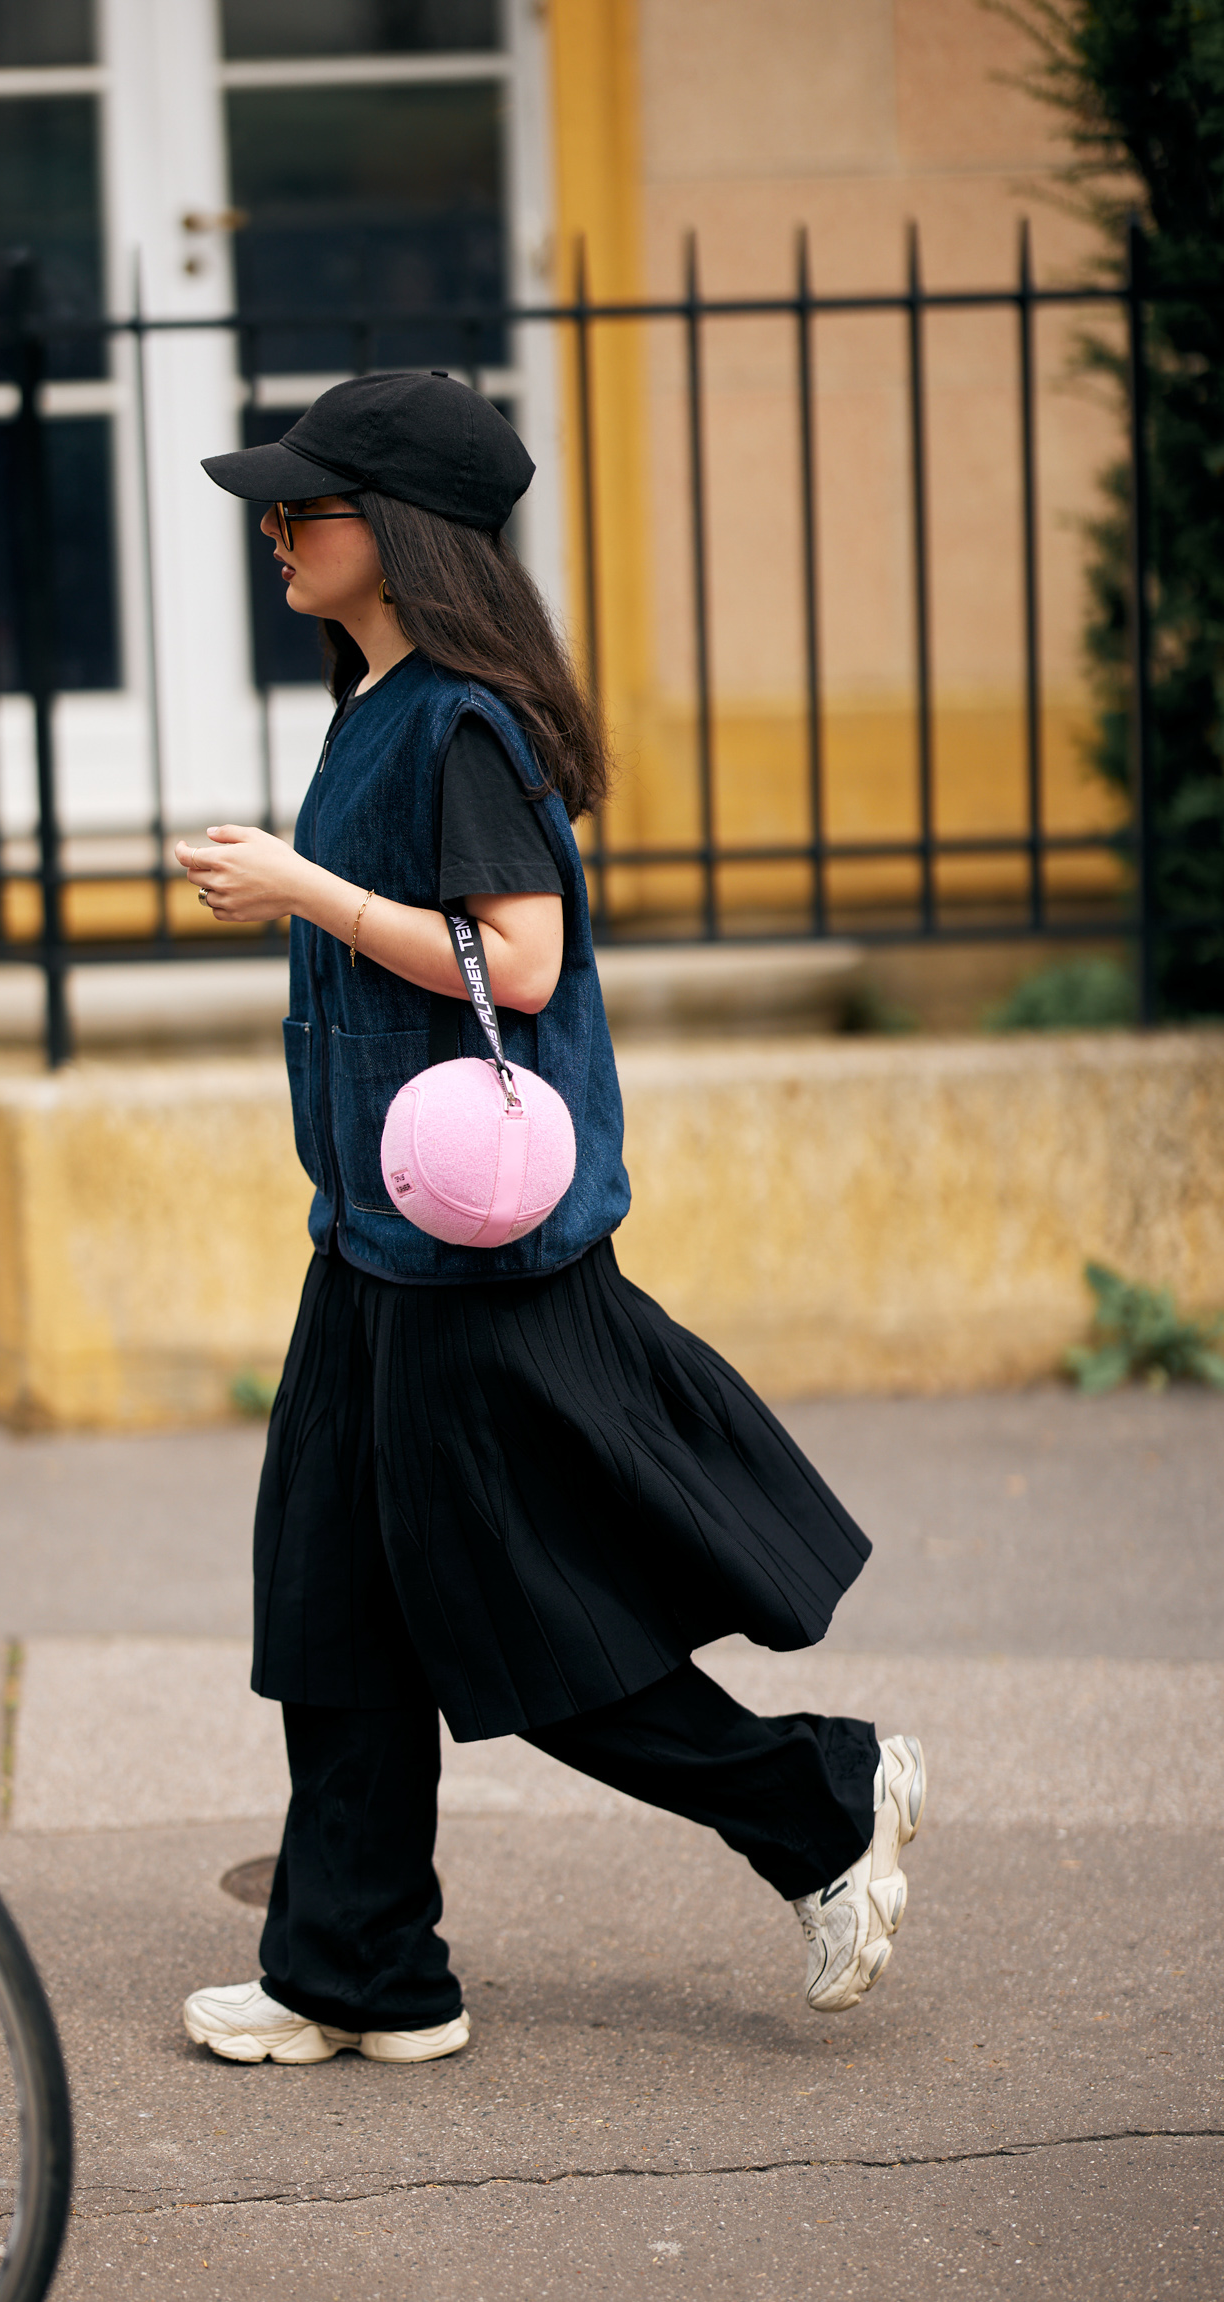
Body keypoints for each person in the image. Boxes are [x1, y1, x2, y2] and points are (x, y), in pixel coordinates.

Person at [176, 372, 924, 2068]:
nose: (275, 533)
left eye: (308, 508)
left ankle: (818, 1799)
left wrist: (300, 893)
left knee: (527, 1619)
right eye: (274, 508)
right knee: (331, 1595)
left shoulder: (463, 722)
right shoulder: (379, 701)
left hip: (469, 1260)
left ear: (408, 539)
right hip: (375, 1238)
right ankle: (358, 1967)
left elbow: (514, 960)